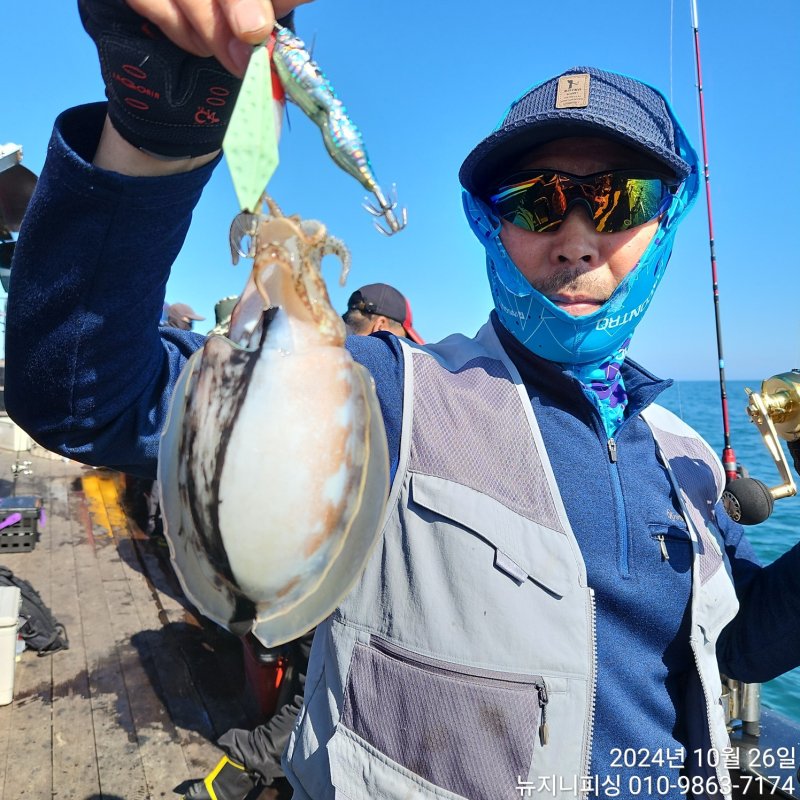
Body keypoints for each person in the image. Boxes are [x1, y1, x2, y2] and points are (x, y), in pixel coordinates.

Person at [6, 2, 800, 799]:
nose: (576, 234)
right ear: (492, 225)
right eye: (535, 199)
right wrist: (157, 132)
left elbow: (741, 646)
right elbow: (84, 396)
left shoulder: (688, 456)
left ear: (664, 222)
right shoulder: (394, 391)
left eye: (621, 199)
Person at [183, 284, 424, 800]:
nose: (345, 339)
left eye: (353, 328)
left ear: (381, 328)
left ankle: (236, 774)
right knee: (302, 671)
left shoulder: (397, 384)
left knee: (322, 684)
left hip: (361, 576)